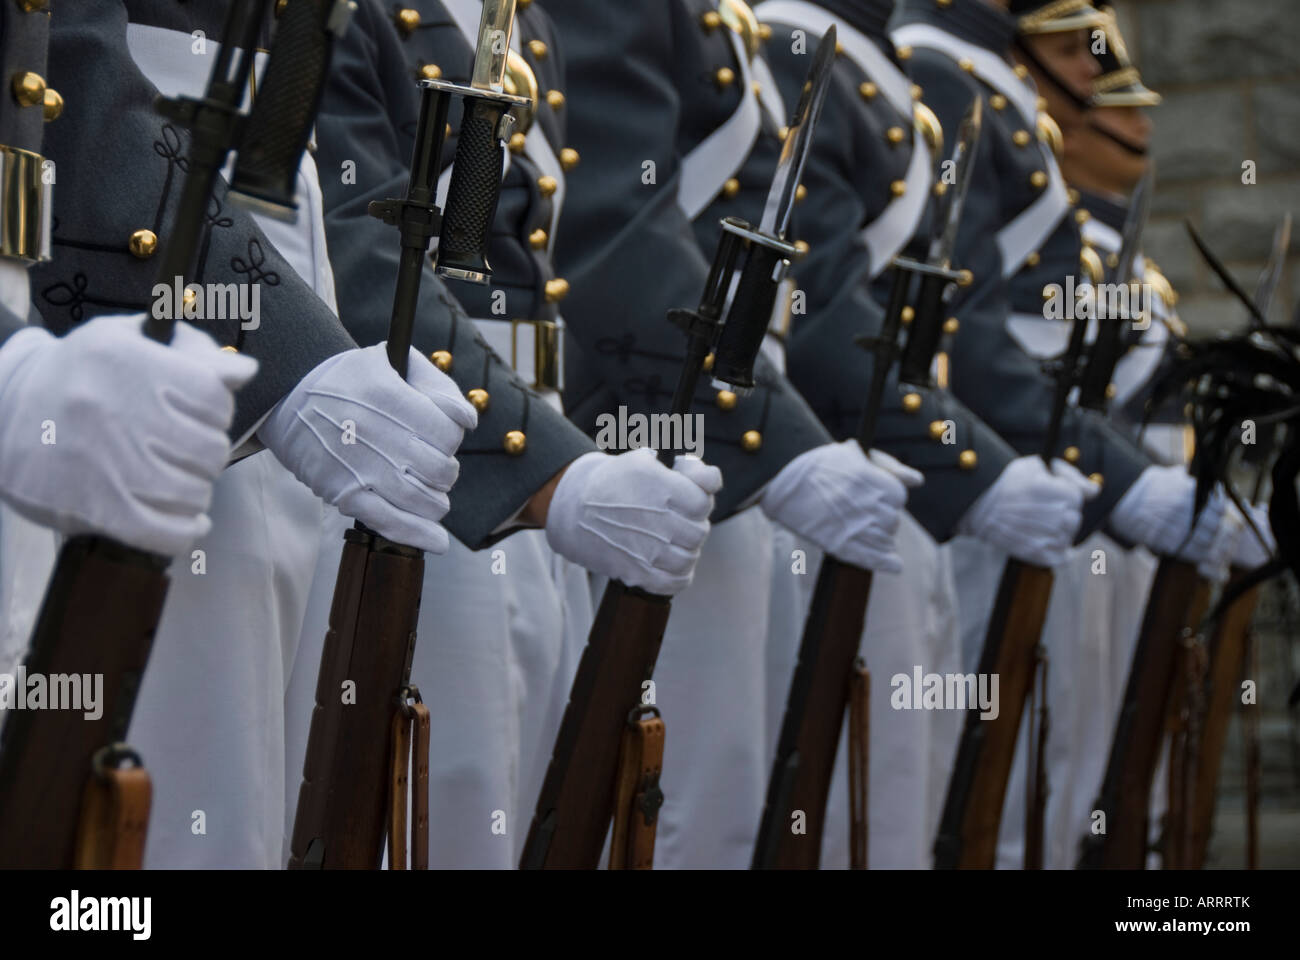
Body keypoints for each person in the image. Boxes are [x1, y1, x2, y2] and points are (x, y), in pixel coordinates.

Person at [294, 0, 721, 868]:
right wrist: (547, 474)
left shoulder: (526, 20)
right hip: (415, 453)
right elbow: (358, 254)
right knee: (441, 807)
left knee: (522, 805)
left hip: (525, 451)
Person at [890, 0, 1235, 867]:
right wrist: (1122, 483)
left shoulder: (994, 95)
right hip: (996, 477)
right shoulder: (947, 77)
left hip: (1062, 483)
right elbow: (973, 335)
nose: (1095, 75)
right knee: (992, 800)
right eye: (1076, 50)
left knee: (1074, 787)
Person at [756, 0, 1097, 868]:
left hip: (899, 462)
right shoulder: (808, 42)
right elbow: (825, 306)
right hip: (838, 455)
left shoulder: (894, 67)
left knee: (918, 787)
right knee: (849, 804)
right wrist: (976, 471)